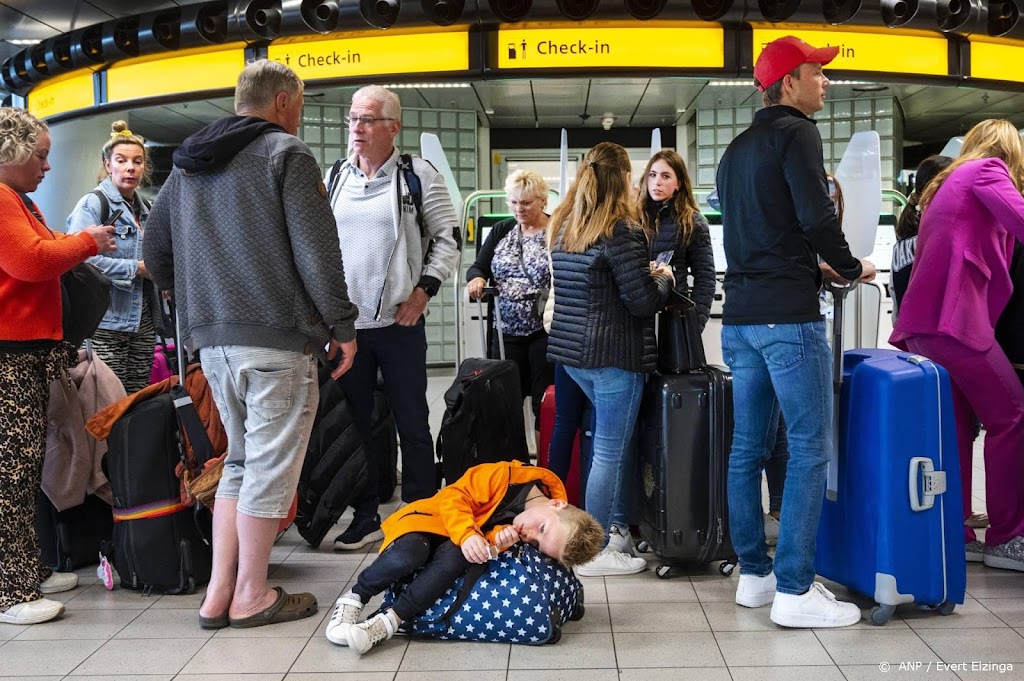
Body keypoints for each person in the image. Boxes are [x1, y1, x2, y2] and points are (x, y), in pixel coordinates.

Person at [143, 59, 359, 629]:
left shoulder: (187, 164)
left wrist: (195, 294)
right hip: (275, 341)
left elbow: (154, 248)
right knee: (268, 467)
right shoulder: (286, 154)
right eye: (303, 103)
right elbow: (317, 253)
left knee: (238, 462)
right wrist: (341, 326)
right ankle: (251, 595)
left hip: (211, 341)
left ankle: (218, 595)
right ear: (285, 102)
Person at [716, 35, 876, 628]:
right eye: (817, 73)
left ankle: (754, 577)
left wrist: (811, 261)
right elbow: (815, 215)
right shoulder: (798, 134)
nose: (826, 82)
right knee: (809, 448)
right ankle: (795, 589)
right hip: (789, 317)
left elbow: (759, 233)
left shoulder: (735, 150)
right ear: (788, 83)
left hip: (742, 319)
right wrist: (852, 264)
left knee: (746, 449)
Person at [325, 85, 461, 551]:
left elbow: (448, 238)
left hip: (400, 327)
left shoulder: (418, 175)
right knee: (355, 425)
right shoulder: (336, 178)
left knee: (412, 421)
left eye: (366, 120)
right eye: (353, 119)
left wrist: (423, 293)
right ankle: (364, 515)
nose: (356, 128)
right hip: (348, 331)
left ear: (392, 127)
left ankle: (421, 514)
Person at [890, 118, 1024, 572]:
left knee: (958, 427)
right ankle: (1006, 538)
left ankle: (959, 527)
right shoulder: (989, 170)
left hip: (928, 323)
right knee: (1012, 414)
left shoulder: (951, 180)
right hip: (956, 320)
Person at [0, 107, 116, 624]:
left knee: (23, 470)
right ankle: (10, 591)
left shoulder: (18, 200)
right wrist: (88, 242)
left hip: (24, 351)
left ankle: (27, 571)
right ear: (13, 152)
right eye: (41, 155)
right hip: (10, 355)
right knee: (12, 472)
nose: (48, 166)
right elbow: (30, 261)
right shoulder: (2, 199)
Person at [547, 141, 674, 577]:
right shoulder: (622, 229)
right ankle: (594, 551)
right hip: (614, 355)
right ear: (621, 178)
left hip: (573, 355)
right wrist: (662, 279)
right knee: (608, 452)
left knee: (604, 444)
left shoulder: (565, 224)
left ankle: (610, 531)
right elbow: (640, 302)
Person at [324, 460, 603, 654]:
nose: (530, 534)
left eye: (537, 543)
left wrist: (495, 543)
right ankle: (355, 597)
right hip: (428, 523)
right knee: (412, 552)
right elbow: (453, 497)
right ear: (556, 504)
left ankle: (388, 622)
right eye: (542, 529)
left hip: (454, 544)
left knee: (460, 558)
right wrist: (469, 534)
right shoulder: (502, 475)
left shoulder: (521, 531)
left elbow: (486, 548)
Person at [66, 121, 159, 394]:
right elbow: (78, 260)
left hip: (142, 322)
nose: (130, 167)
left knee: (136, 398)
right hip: (106, 321)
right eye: (121, 160)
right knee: (107, 403)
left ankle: (133, 440)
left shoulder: (146, 209)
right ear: (108, 165)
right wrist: (137, 268)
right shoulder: (93, 204)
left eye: (137, 161)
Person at [466, 169, 555, 429]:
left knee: (544, 400)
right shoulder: (501, 230)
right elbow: (478, 267)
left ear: (542, 200)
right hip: (505, 332)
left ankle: (545, 463)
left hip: (545, 330)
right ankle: (513, 463)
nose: (519, 209)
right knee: (505, 402)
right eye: (514, 202)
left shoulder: (556, 230)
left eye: (526, 203)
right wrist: (477, 279)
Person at [637, 149, 716, 326]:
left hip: (672, 316)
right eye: (653, 174)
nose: (657, 182)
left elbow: (705, 278)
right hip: (636, 318)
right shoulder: (633, 217)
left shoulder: (692, 222)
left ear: (678, 183)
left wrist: (695, 322)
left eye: (665, 176)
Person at [890, 155, 954, 318]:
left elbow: (896, 307)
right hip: (938, 335)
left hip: (908, 336)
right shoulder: (944, 240)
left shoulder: (901, 245)